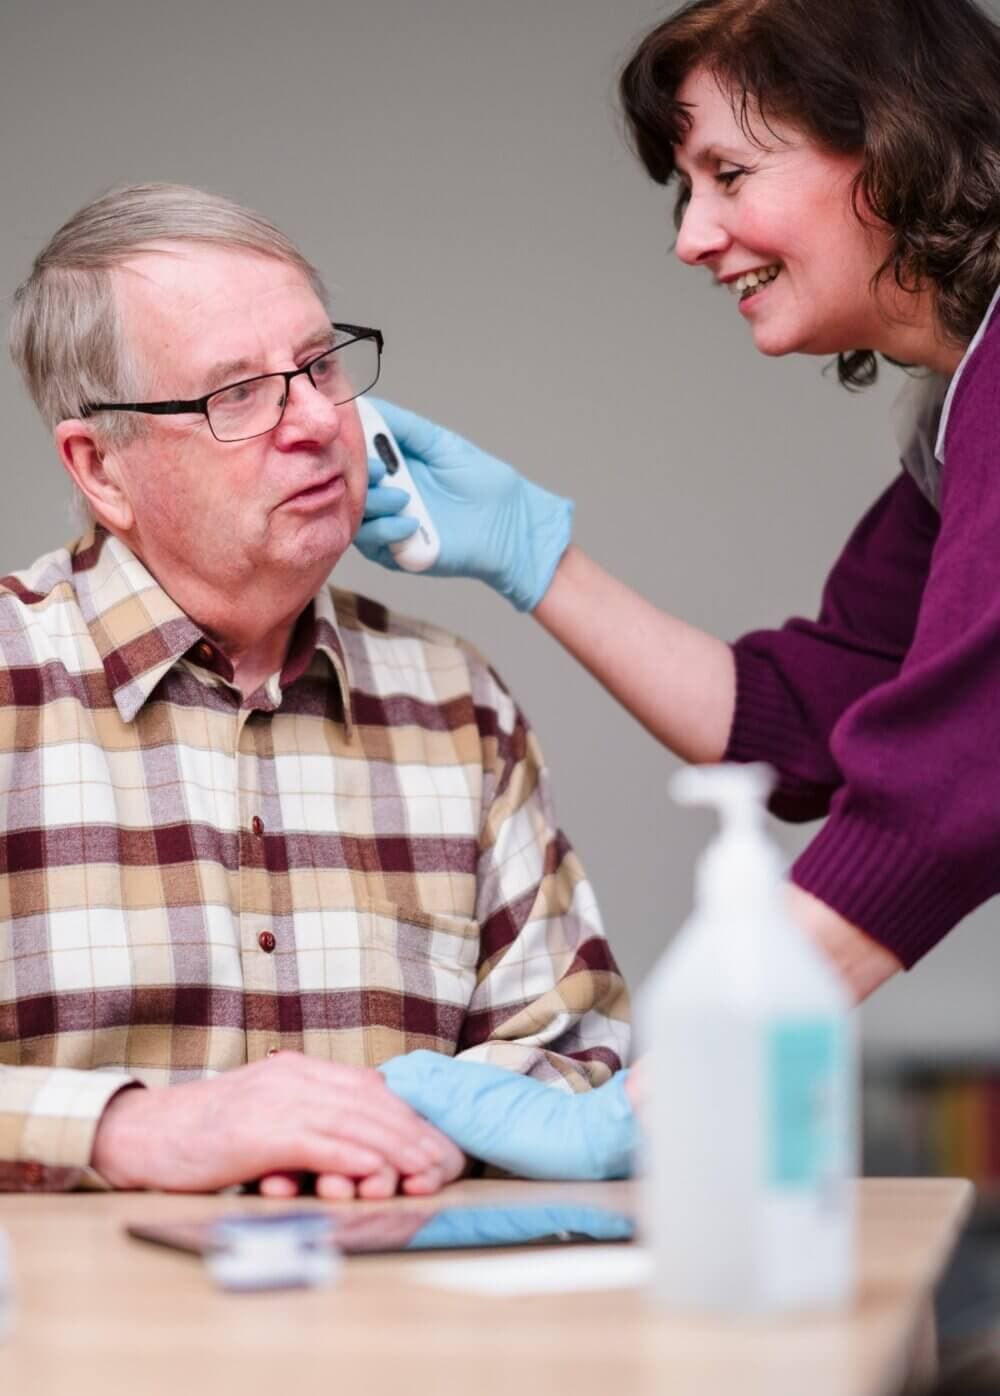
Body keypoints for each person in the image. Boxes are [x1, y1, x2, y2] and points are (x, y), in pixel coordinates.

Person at [358, 0, 1000, 1174]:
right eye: (682, 187)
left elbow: (962, 767)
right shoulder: (958, 414)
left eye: (729, 173)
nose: (692, 236)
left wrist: (658, 1099)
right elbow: (815, 719)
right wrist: (536, 558)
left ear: (898, 145)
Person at [0, 182, 630, 1198]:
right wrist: (131, 1130)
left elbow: (571, 1044)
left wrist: (400, 1134)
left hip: (391, 1332)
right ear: (100, 469)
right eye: (235, 393)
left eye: (318, 366)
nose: (312, 423)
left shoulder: (455, 703)